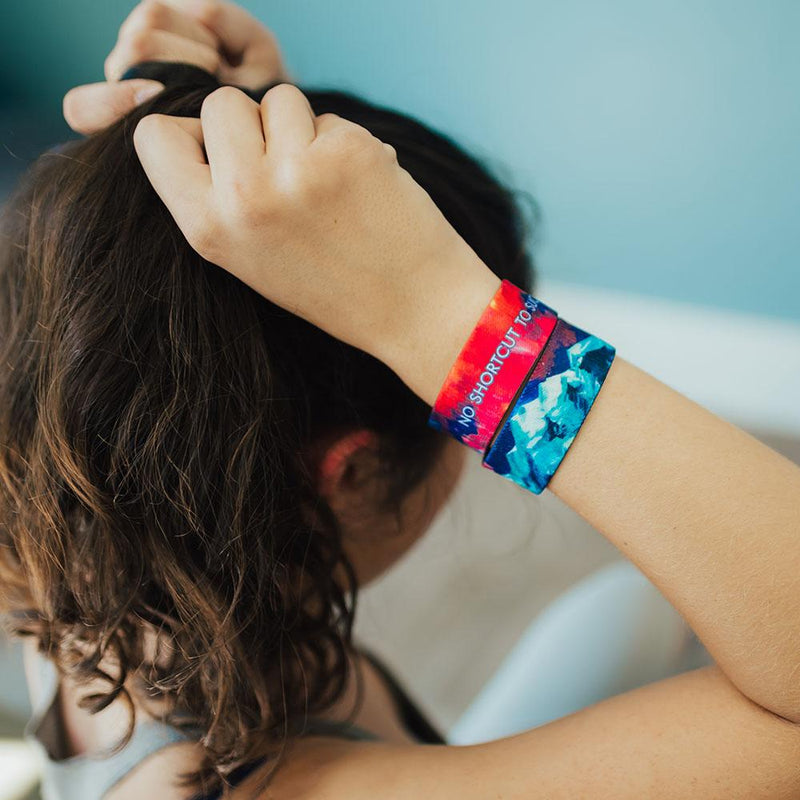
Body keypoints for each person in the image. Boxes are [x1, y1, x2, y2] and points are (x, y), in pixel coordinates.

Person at [2, 2, 800, 798]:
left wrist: (260, 143)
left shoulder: (70, 514)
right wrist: (449, 323)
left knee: (631, 611)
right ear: (350, 474)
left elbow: (144, 312)